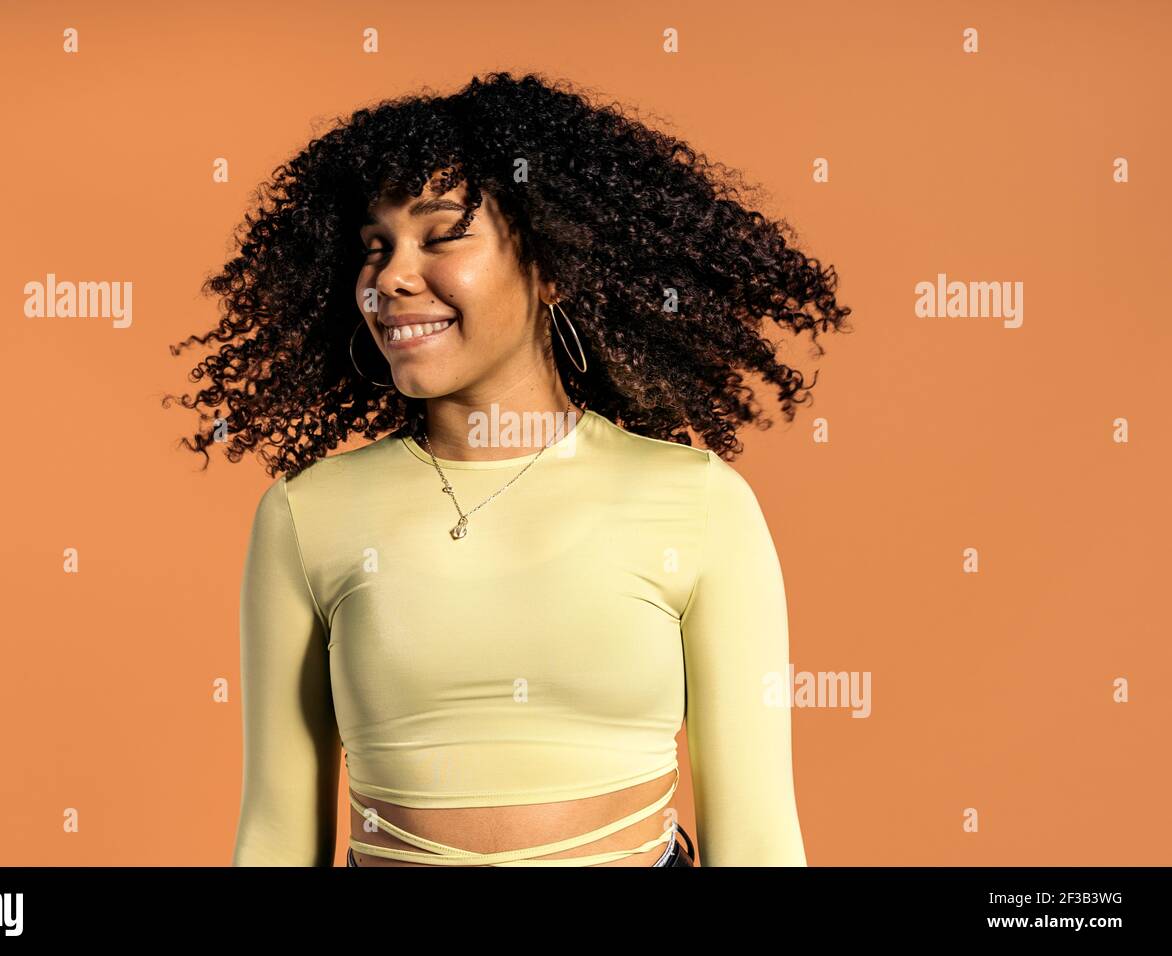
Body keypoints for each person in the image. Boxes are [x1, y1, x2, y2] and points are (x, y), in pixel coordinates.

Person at [165, 71, 851, 866]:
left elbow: (759, 840)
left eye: (441, 235)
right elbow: (277, 835)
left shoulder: (698, 506)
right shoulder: (306, 515)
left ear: (550, 265)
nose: (389, 277)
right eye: (376, 247)